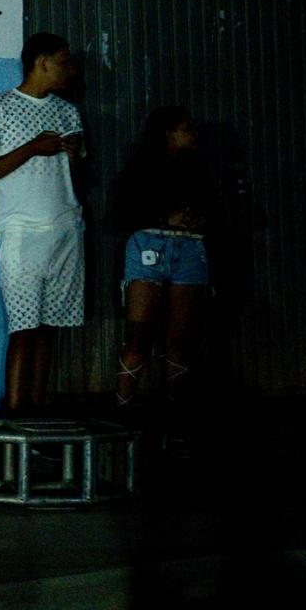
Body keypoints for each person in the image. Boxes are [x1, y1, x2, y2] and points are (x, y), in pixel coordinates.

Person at [0, 32, 88, 412]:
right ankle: (15, 419)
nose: (70, 69)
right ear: (42, 62)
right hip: (21, 232)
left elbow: (81, 182)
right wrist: (32, 148)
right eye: (63, 61)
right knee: (24, 328)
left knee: (49, 329)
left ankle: (37, 417)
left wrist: (73, 157)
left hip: (66, 229)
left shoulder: (68, 112)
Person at [109, 106, 213, 417]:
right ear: (169, 134)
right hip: (148, 248)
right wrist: (165, 219)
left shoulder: (199, 170)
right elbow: (119, 215)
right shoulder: (139, 170)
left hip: (189, 248)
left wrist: (200, 221)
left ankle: (175, 419)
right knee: (138, 337)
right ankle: (122, 415)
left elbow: (216, 211)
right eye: (187, 129)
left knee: (179, 340)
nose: (194, 134)